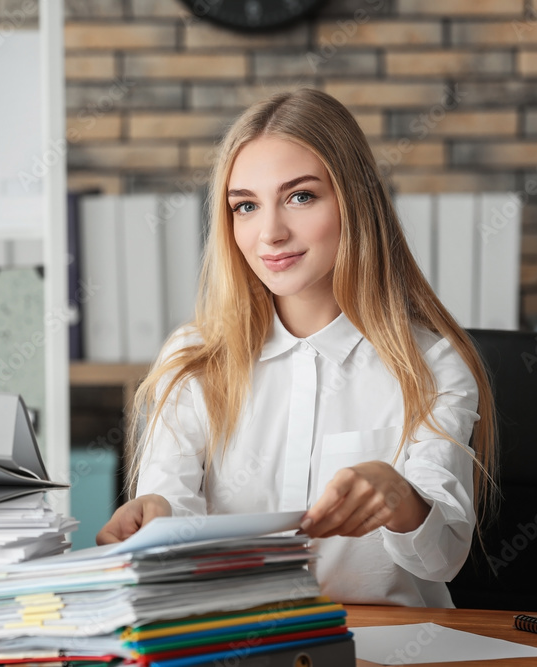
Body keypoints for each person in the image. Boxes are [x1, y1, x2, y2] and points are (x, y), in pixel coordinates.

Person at [95, 88, 496, 608]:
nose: (271, 233)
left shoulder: (433, 366)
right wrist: (151, 518)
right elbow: (171, 501)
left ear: (354, 201)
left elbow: (442, 559)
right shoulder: (194, 357)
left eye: (300, 197)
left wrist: (401, 500)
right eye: (246, 206)